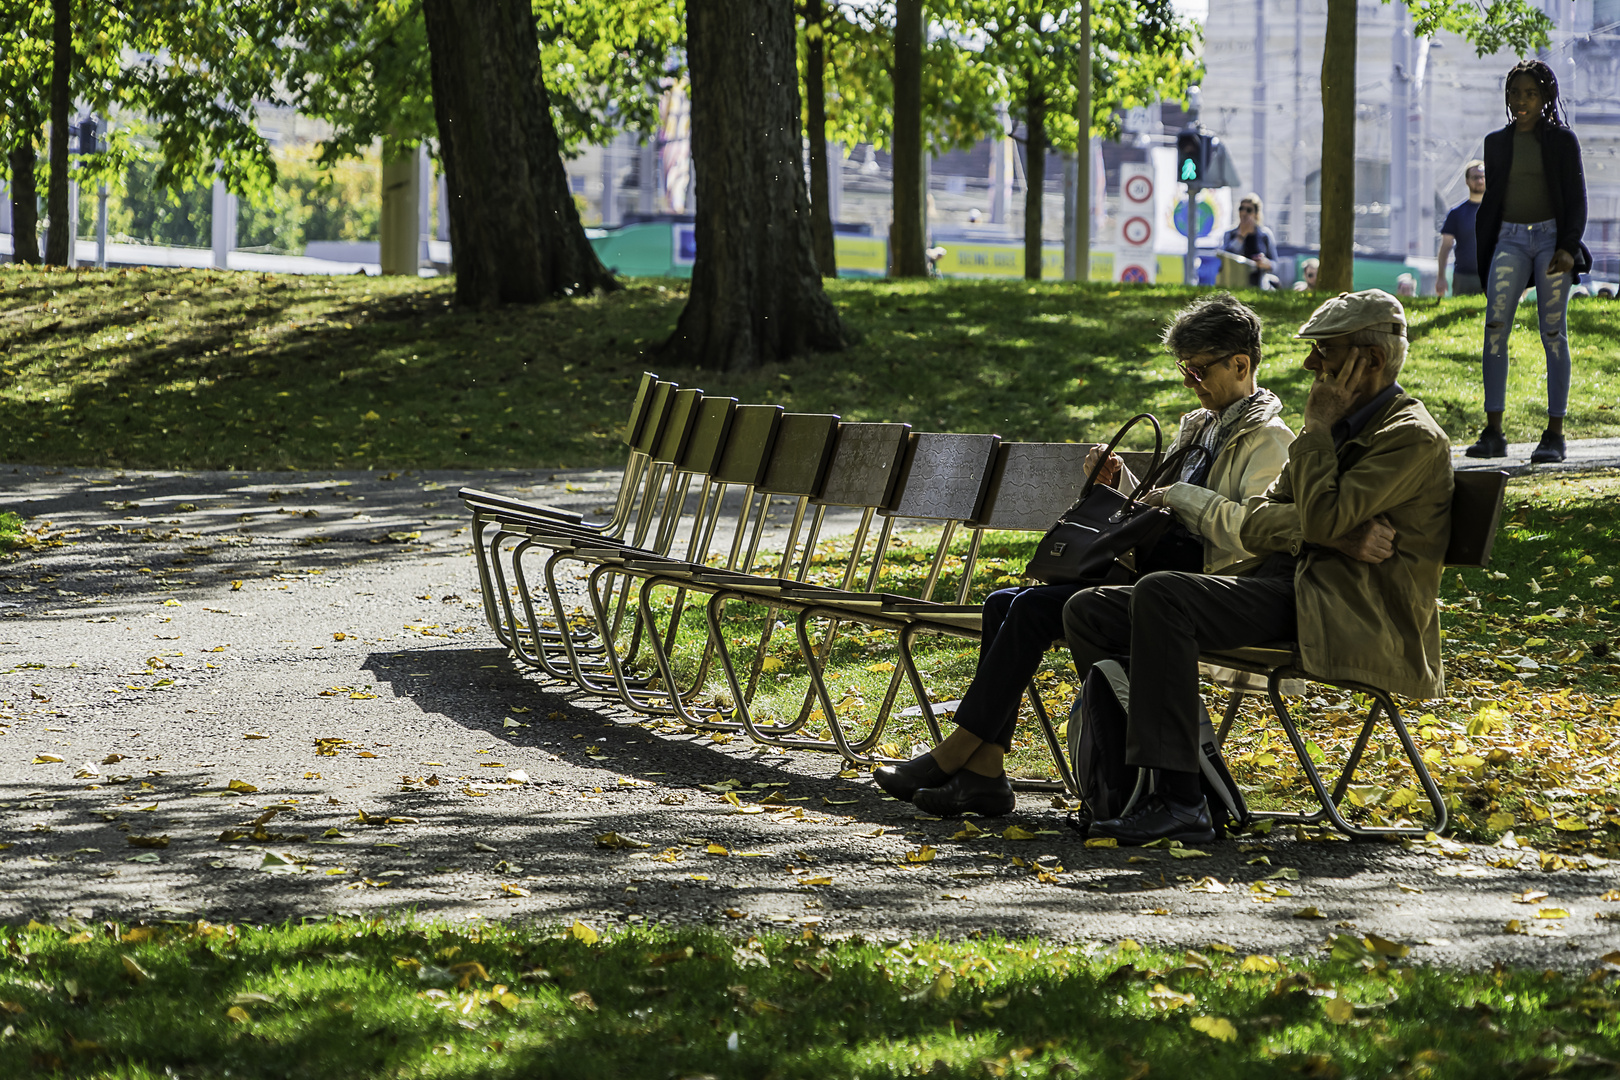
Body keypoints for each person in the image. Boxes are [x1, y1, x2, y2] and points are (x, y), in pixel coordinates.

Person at [874, 294, 1295, 817]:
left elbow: (1247, 535)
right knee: (1005, 601)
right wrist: (1123, 482)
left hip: (1200, 590)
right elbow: (1163, 512)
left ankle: (962, 754)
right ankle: (983, 771)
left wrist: (1178, 497)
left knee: (1028, 609)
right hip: (1155, 572)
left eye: (1199, 369)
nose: (1191, 381)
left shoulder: (1269, 440)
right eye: (1184, 370)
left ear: (1241, 364)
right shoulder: (1202, 426)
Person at [1062, 290, 1452, 845]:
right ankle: (1130, 788)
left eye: (1325, 352)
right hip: (1291, 584)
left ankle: (1181, 800)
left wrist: (1316, 438)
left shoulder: (1405, 436)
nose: (1310, 365)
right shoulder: (1345, 428)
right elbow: (1262, 519)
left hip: (1350, 610)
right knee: (1089, 611)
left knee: (1164, 595)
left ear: (1370, 359)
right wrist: (1333, 532)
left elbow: (1308, 515)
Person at [1465, 59, 1590, 465]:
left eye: (1530, 94)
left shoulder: (1562, 141)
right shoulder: (1496, 143)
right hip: (1510, 240)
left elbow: (1577, 198)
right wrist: (1487, 249)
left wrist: (1569, 246)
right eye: (1515, 93)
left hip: (1553, 240)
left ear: (1545, 98)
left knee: (1553, 334)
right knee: (1495, 327)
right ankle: (1493, 431)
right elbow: (1494, 201)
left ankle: (1554, 434)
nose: (1521, 101)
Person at [1437, 160, 1486, 297]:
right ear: (1467, 181)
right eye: (1475, 177)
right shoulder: (1456, 213)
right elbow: (1446, 246)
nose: (1480, 181)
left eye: (1483, 177)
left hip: (1491, 276)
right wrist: (1441, 277)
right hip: (1463, 278)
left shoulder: (1496, 212)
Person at [1220, 194, 1278, 289]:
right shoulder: (1230, 234)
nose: (1244, 213)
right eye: (1241, 208)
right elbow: (1225, 258)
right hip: (1235, 284)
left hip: (1259, 285)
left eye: (1249, 210)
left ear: (1256, 214)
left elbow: (1275, 264)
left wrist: (1266, 263)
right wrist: (1241, 236)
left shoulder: (1264, 235)